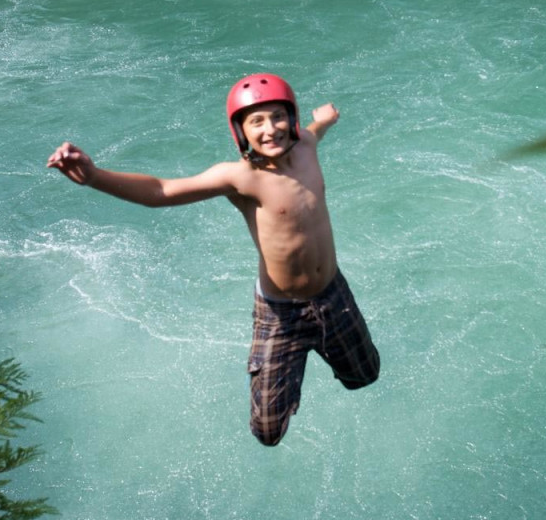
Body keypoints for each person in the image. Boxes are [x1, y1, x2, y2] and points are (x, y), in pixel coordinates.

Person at [47, 73, 380, 446]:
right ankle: (288, 369)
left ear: (293, 119)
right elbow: (162, 190)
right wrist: (94, 176)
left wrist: (326, 119)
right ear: (240, 132)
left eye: (278, 117)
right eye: (256, 122)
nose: (270, 129)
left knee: (365, 377)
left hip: (333, 293)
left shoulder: (306, 145)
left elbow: (315, 131)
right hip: (282, 313)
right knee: (267, 433)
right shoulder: (240, 177)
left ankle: (319, 355)